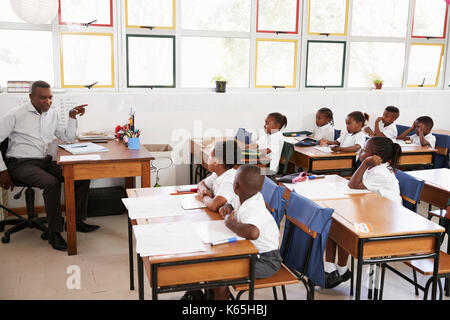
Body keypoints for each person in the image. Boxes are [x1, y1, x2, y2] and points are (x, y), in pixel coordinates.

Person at [0, 80, 99, 251]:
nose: (47, 102)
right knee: (51, 184)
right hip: (20, 164)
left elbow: (67, 138)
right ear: (31, 97)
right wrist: (2, 171)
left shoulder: (52, 114)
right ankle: (54, 233)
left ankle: (75, 221)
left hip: (43, 161)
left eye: (50, 98)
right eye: (42, 98)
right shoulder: (15, 114)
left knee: (80, 174)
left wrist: (71, 117)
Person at [324, 137, 402, 288]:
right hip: (374, 211)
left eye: (365, 150)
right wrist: (366, 164)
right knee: (334, 221)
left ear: (376, 157)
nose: (361, 151)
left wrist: (365, 162)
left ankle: (334, 270)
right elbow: (355, 185)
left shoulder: (380, 172)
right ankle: (337, 270)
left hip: (383, 222)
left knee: (339, 225)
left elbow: (353, 185)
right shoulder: (374, 168)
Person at [214, 164, 282, 300]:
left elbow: (253, 232)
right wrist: (228, 206)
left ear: (236, 186)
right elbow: (233, 203)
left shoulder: (253, 207)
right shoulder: (247, 196)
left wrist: (230, 222)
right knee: (214, 264)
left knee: (219, 273)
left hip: (266, 261)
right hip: (252, 253)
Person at [195, 140, 241, 212]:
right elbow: (201, 183)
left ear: (217, 161)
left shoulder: (229, 180)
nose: (207, 159)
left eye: (210, 156)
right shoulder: (218, 174)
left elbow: (214, 205)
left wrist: (203, 197)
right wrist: (204, 190)